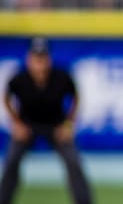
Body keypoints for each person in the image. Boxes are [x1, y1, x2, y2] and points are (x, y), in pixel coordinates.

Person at [0, 37, 93, 204]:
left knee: (73, 161)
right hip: (28, 125)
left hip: (55, 126)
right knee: (11, 160)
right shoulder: (20, 79)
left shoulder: (61, 77)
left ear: (49, 58)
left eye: (43, 58)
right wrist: (16, 123)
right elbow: (6, 97)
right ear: (29, 59)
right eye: (36, 58)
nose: (39, 63)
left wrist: (68, 124)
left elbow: (76, 97)